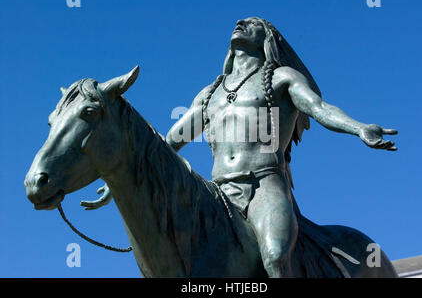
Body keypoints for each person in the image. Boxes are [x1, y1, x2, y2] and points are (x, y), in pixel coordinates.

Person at [82, 17, 397, 277]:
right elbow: (170, 142)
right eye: (240, 21)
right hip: (220, 192)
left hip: (264, 186)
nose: (241, 22)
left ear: (268, 38)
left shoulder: (280, 78)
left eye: (254, 23)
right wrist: (125, 178)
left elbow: (319, 107)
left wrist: (359, 128)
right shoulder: (212, 93)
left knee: (275, 256)